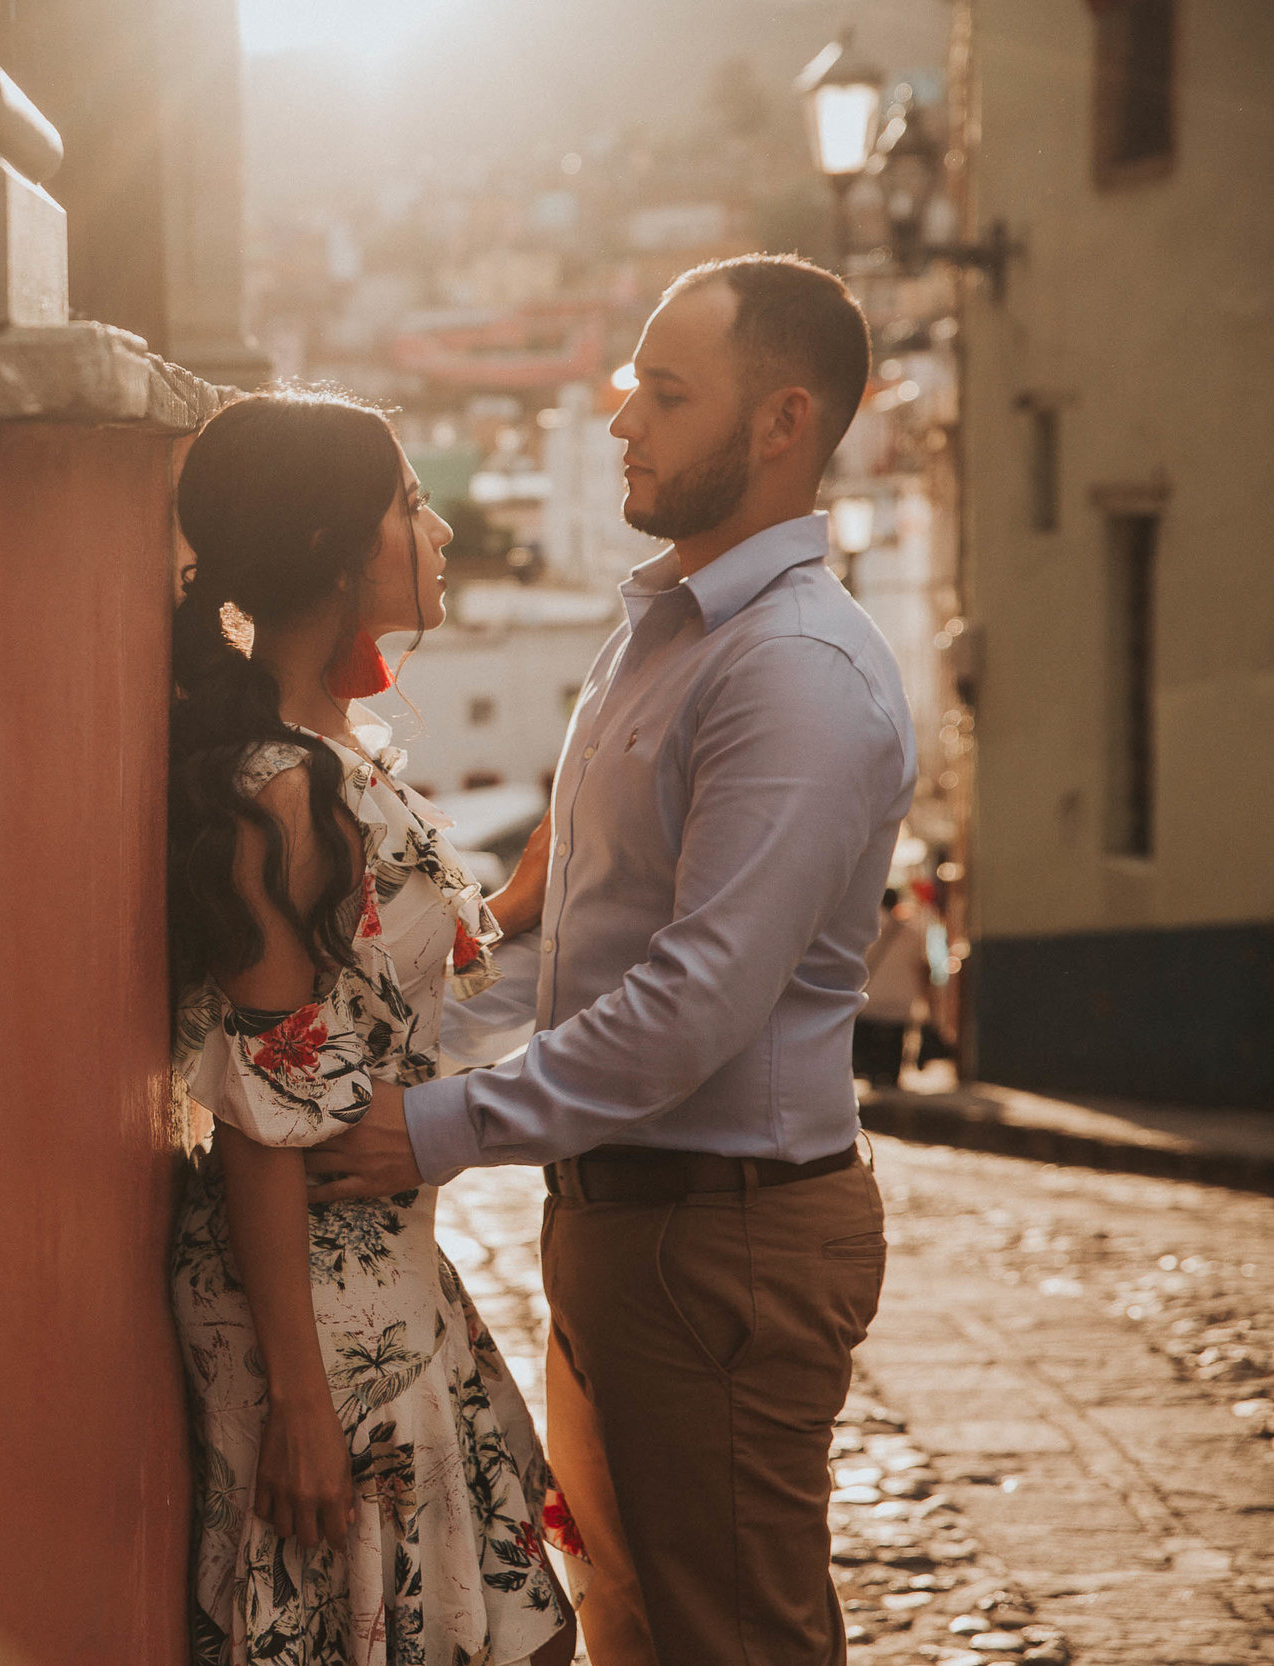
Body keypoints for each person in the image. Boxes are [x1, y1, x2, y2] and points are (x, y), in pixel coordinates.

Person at [303, 255, 917, 1666]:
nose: (622, 418)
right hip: (630, 1224)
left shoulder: (795, 668)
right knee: (636, 1623)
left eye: (668, 390)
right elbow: (571, 947)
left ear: (782, 422)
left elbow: (696, 1002)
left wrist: (437, 1126)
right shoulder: (665, 634)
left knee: (734, 1635)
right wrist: (400, 1041)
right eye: (630, 381)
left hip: (723, 1238)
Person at [166, 390, 583, 1665]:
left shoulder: (335, 756)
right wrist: (299, 1396)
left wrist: (569, 853)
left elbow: (396, 997)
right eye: (410, 502)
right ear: (334, 553)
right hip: (311, 1311)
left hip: (385, 1274)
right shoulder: (281, 786)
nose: (442, 525)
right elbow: (260, 1108)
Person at [856, 888, 932, 1088]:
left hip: (871, 993)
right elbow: (922, 966)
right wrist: (927, 996)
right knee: (896, 1039)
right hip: (902, 996)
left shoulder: (865, 929)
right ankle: (891, 1076)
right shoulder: (912, 932)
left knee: (870, 1038)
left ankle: (871, 1074)